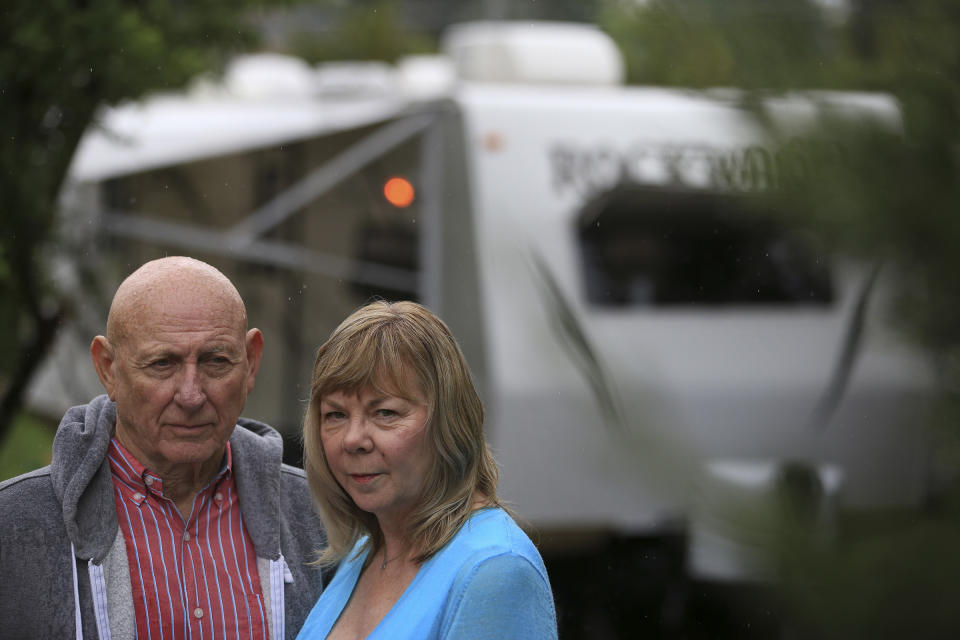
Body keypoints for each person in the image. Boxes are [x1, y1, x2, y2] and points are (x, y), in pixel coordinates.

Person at [0, 256, 326, 639]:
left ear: (251, 362)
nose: (191, 395)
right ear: (108, 368)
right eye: (162, 364)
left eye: (215, 361)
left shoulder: (318, 517)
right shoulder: (14, 528)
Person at [296, 301, 557, 639]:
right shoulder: (365, 552)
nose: (353, 439)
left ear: (449, 421)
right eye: (335, 415)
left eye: (385, 413)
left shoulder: (495, 569)